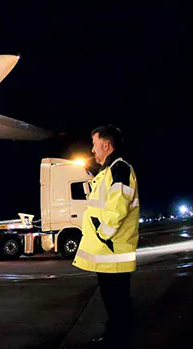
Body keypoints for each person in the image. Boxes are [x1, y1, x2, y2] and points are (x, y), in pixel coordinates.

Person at [72, 125, 140, 347]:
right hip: (109, 252)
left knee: (115, 302)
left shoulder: (119, 169)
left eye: (94, 144)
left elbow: (117, 208)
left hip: (112, 251)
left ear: (106, 145)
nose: (92, 150)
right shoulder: (110, 171)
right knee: (116, 302)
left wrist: (103, 235)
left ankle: (117, 341)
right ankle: (118, 337)